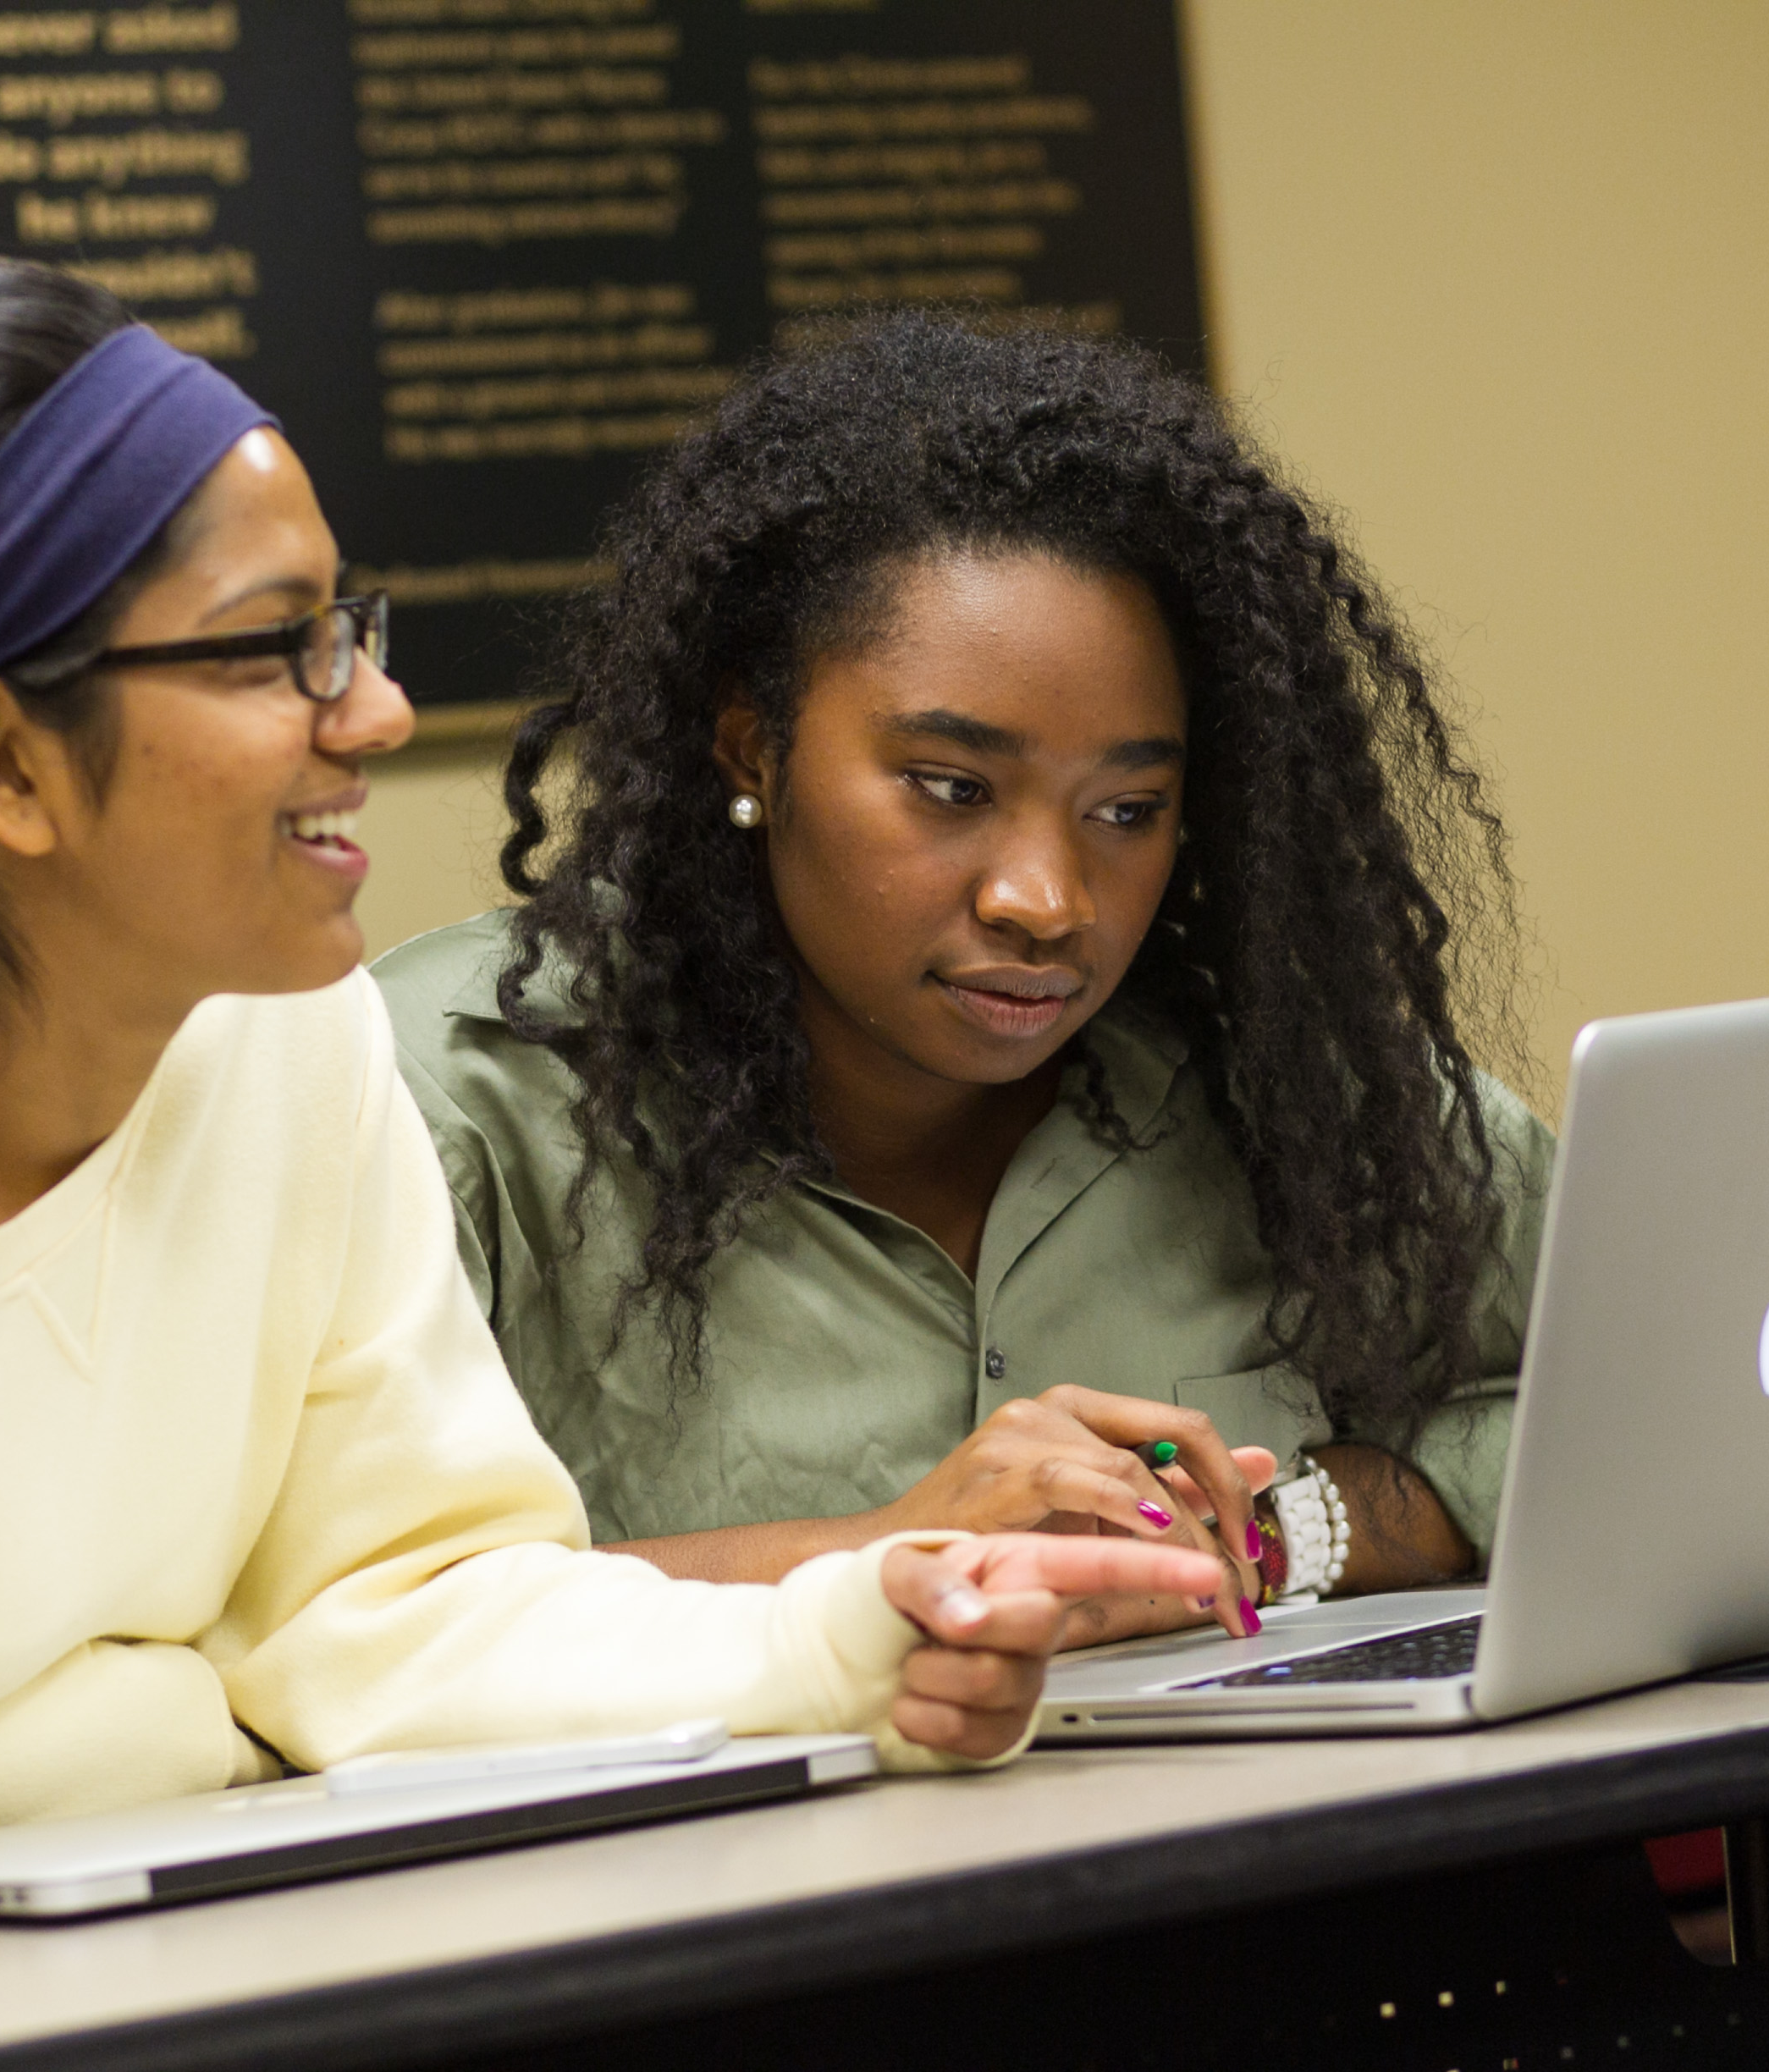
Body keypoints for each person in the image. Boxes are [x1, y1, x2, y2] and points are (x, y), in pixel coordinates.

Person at [0, 263, 1218, 1932]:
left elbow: (391, 1616)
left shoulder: (280, 1048)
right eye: (278, 653)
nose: (377, 713)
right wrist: (139, 1729)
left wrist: (867, 1627)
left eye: (349, 630)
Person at [376, 314, 1554, 1643]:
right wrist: (899, 1563)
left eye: (1126, 810)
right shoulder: (437, 1106)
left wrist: (1262, 1541)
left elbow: (1638, 1389)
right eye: (951, 788)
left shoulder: (1288, 1087)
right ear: (753, 747)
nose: (1046, 903)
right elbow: (340, 1619)